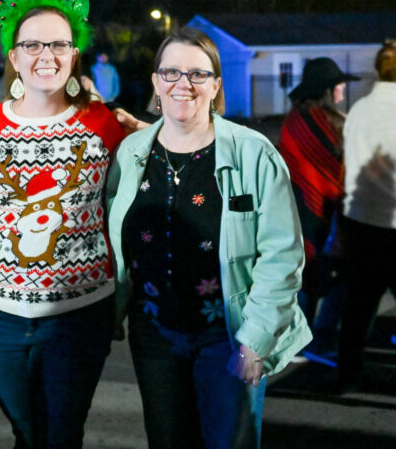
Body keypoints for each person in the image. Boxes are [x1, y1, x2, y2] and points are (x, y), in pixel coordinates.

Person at [106, 27, 311, 449]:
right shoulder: (131, 153)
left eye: (198, 74)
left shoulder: (253, 154)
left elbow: (282, 256)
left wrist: (255, 342)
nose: (183, 84)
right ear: (155, 82)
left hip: (228, 336)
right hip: (155, 334)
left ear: (216, 85)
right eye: (171, 72)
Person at [0, 0, 125, 449]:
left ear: (74, 54)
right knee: (24, 431)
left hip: (80, 315)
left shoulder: (106, 126)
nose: (45, 55)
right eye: (32, 44)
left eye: (58, 44)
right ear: (13, 56)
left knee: (60, 436)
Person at [277, 57, 359, 362]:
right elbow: (340, 168)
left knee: (303, 271)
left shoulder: (293, 119)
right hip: (323, 209)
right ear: (327, 89)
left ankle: (299, 336)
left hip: (294, 204)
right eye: (337, 85)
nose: (340, 90)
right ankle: (312, 338)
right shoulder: (328, 122)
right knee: (330, 272)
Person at [336, 41, 396, 393]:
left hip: (360, 220)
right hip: (392, 219)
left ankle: (347, 377)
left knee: (357, 307)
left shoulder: (359, 109)